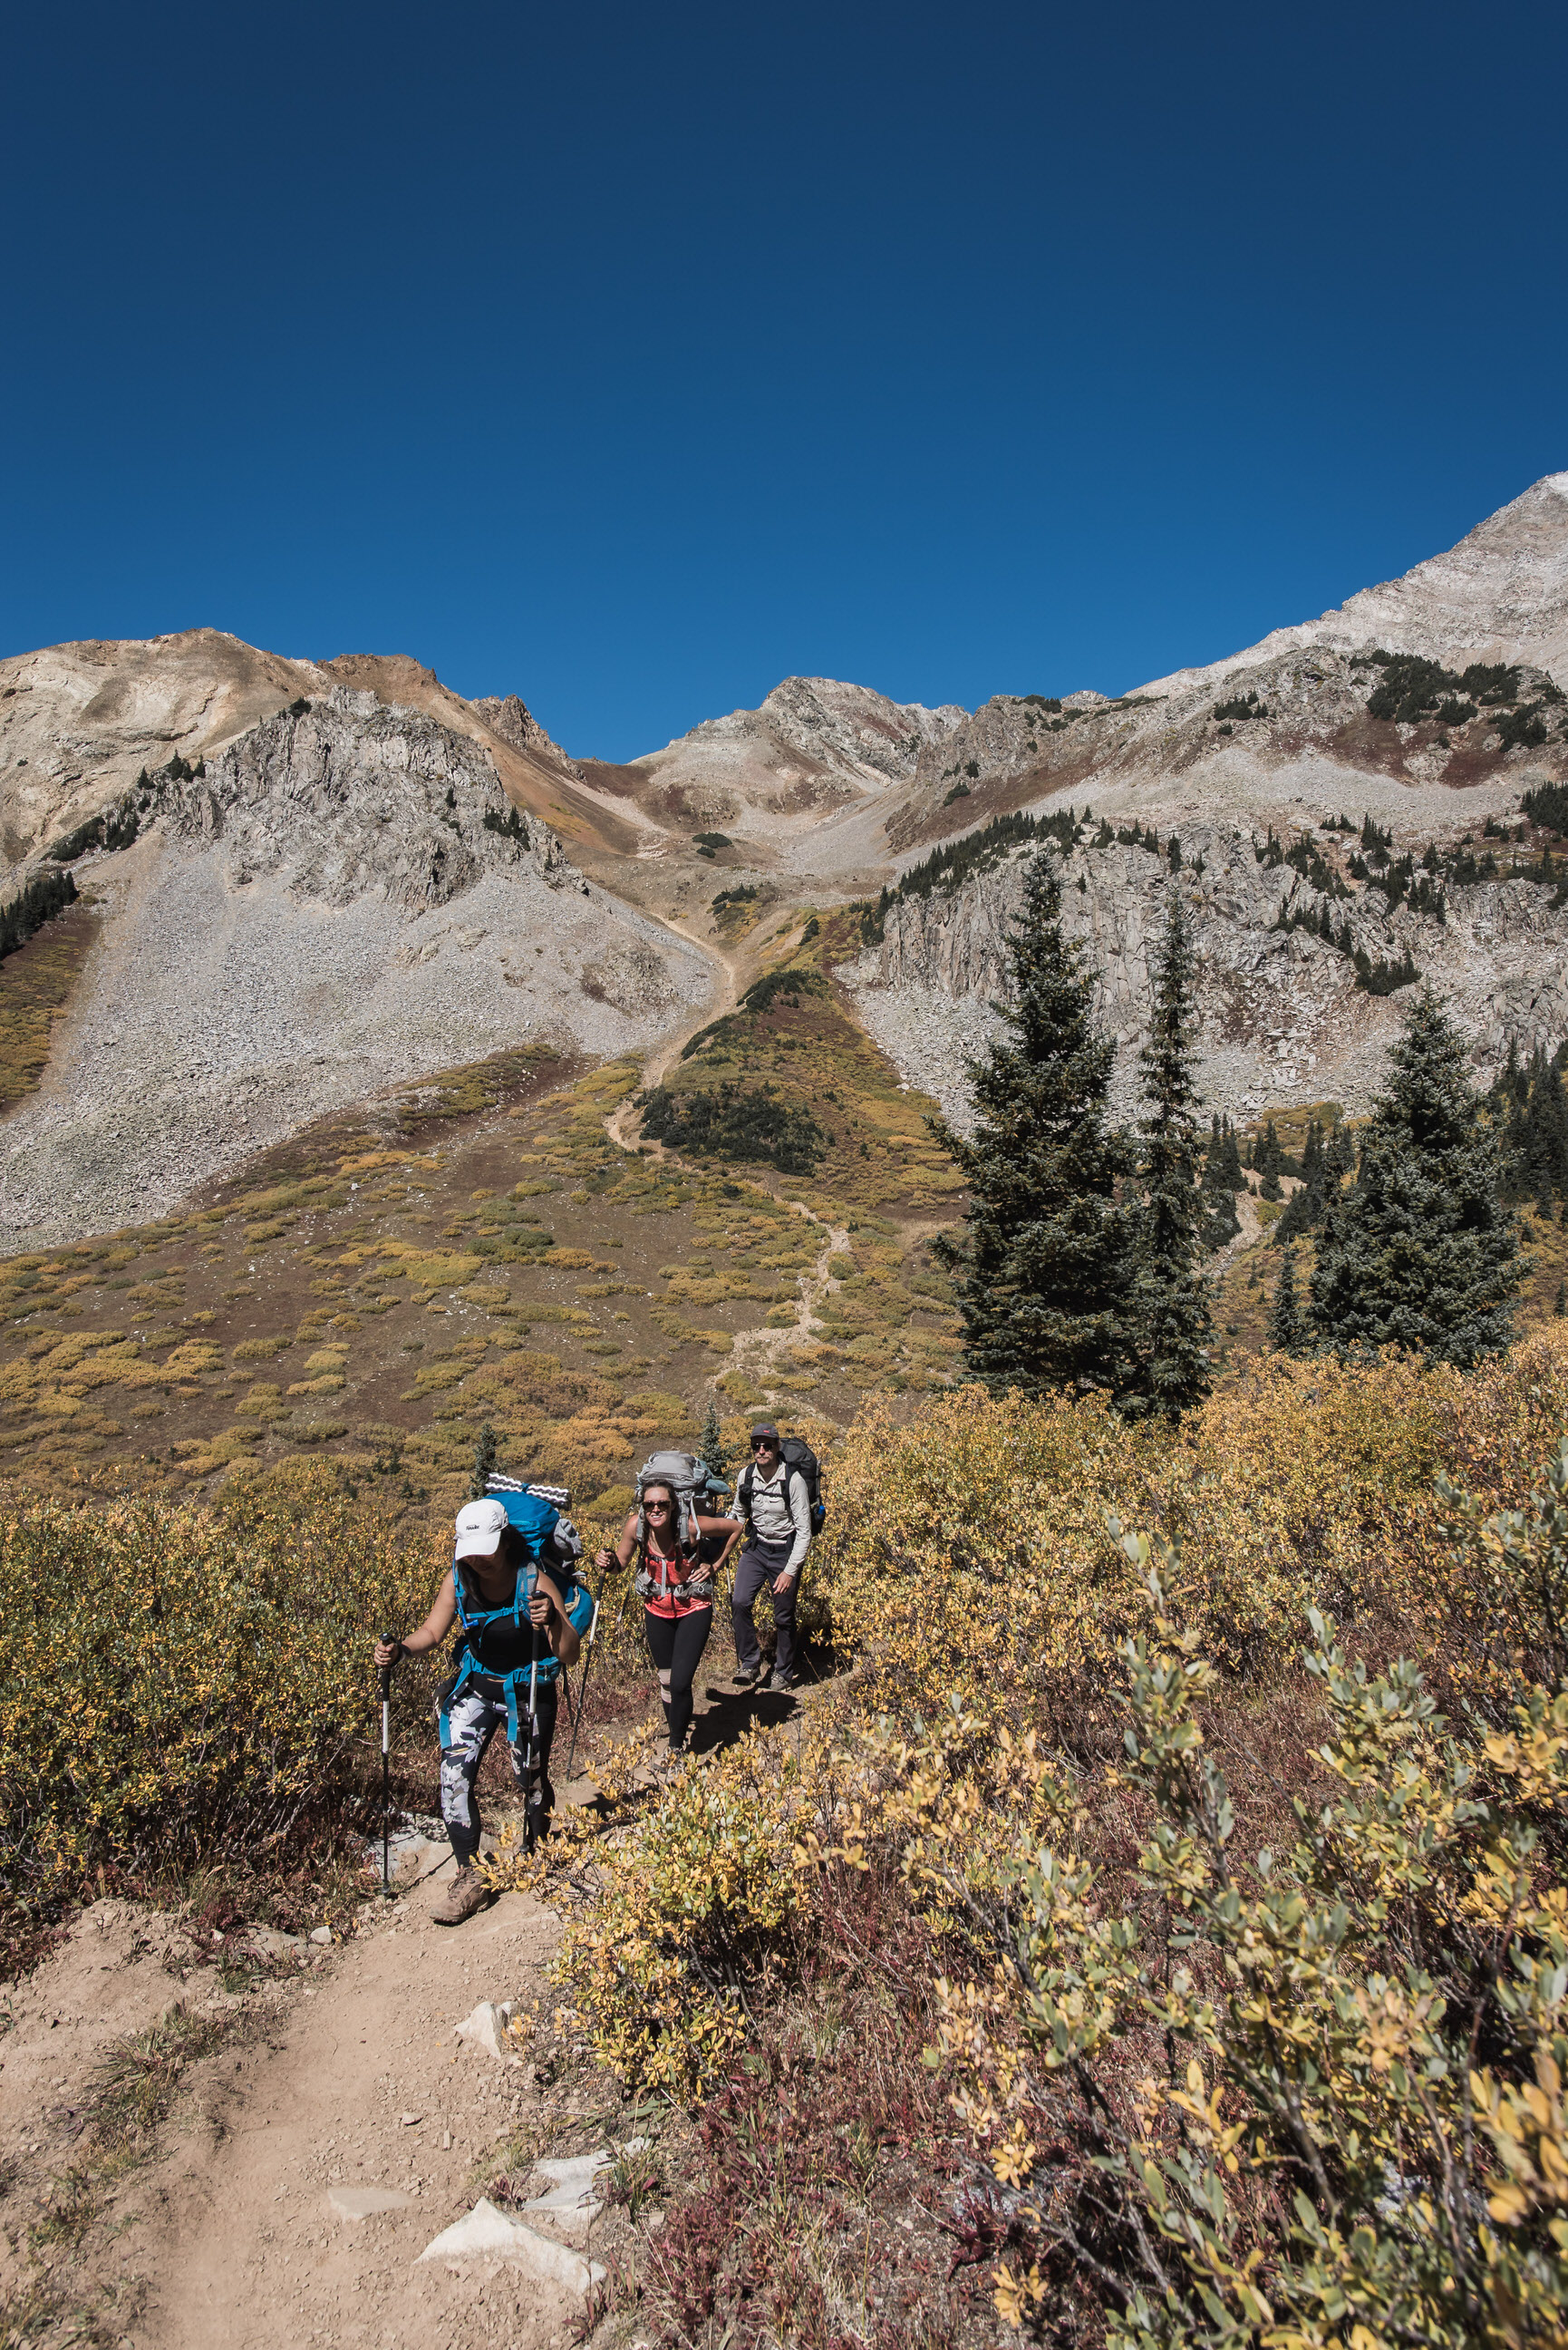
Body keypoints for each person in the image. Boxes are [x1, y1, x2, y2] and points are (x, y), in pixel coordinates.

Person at [374, 1495, 586, 1927]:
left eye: (485, 1551)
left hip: (527, 1690)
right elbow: (434, 1631)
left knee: (528, 1775)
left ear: (505, 1541)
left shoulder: (535, 1581)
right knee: (453, 1779)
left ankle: (535, 1844)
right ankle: (470, 1873)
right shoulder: (459, 1578)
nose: (478, 1560)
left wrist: (552, 1623)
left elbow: (569, 1655)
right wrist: (401, 1651)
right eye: (470, 1552)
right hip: (475, 1686)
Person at [595, 1481, 741, 1766]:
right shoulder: (635, 1527)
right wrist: (607, 1560)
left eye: (662, 1503)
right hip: (657, 1609)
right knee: (666, 1681)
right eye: (650, 1504)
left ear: (673, 1504)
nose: (655, 1509)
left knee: (680, 1682)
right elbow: (620, 1565)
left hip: (694, 1607)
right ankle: (678, 1730)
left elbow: (735, 1528)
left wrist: (715, 1565)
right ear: (643, 1506)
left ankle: (675, 1749)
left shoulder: (689, 1526)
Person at [731, 1423, 811, 1691]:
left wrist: (789, 1571)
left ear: (777, 1447)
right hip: (756, 1549)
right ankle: (749, 1662)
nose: (761, 1451)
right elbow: (738, 1514)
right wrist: (720, 1542)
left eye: (767, 1446)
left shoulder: (793, 1480)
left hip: (783, 1553)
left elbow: (804, 1532)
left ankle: (784, 1672)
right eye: (756, 1446)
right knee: (740, 1601)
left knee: (783, 1616)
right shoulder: (746, 1476)